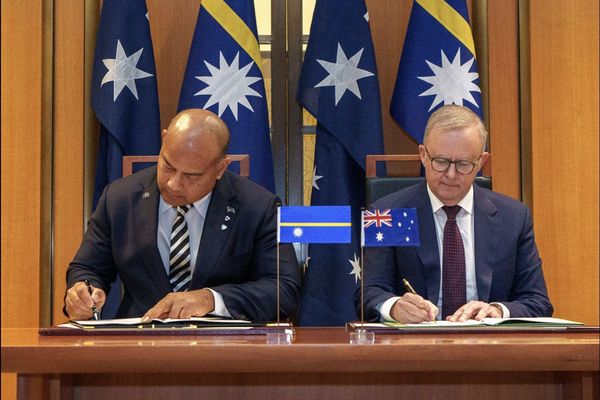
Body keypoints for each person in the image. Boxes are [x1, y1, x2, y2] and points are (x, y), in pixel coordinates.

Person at [65, 108, 301, 322]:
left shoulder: (258, 207)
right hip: (139, 349)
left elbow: (284, 289)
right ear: (164, 138)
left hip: (223, 352)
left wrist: (211, 299)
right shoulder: (120, 198)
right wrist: (83, 292)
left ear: (220, 168)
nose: (173, 184)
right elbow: (88, 268)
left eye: (192, 176)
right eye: (167, 165)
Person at [360, 105, 553, 323]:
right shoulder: (390, 214)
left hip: (490, 349)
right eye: (441, 161)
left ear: (481, 161)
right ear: (423, 155)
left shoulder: (513, 218)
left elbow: (538, 302)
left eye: (463, 164)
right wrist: (394, 307)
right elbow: (369, 292)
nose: (451, 174)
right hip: (414, 349)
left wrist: (497, 311)